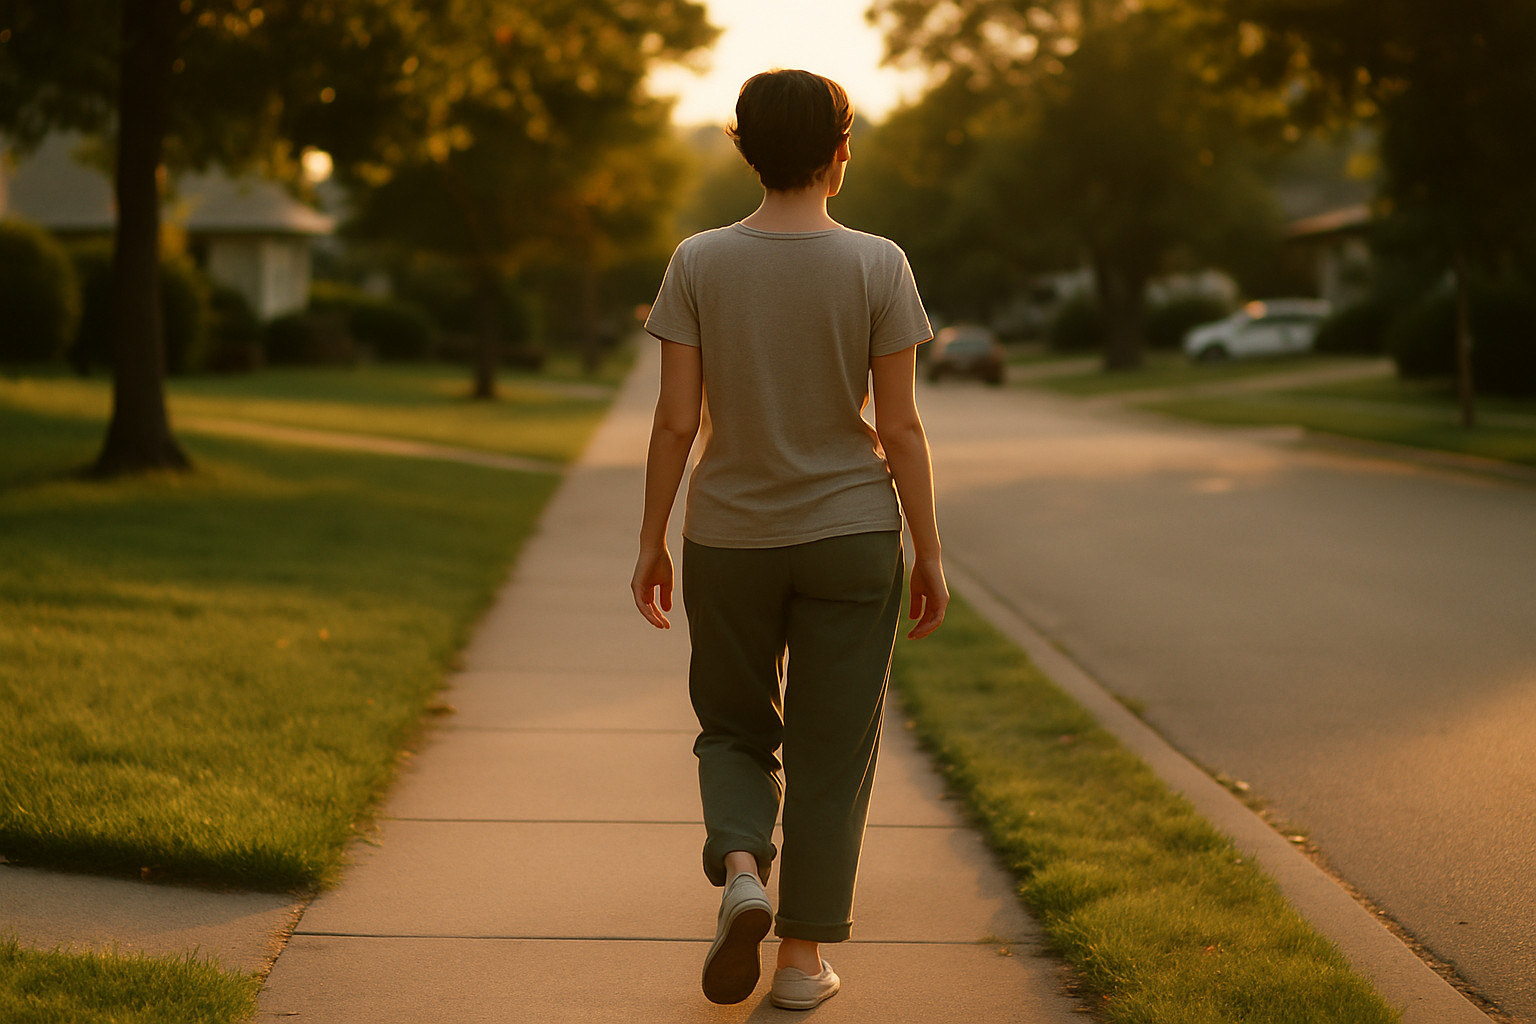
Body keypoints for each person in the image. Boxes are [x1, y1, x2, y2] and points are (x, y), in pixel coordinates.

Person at [631, 68, 948, 1011]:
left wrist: (652, 540)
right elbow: (900, 429)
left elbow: (674, 422)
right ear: (840, 150)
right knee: (829, 753)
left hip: (729, 537)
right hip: (852, 533)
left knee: (732, 727)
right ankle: (802, 961)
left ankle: (741, 871)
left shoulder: (697, 261)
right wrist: (929, 550)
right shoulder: (878, 263)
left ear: (743, 149)